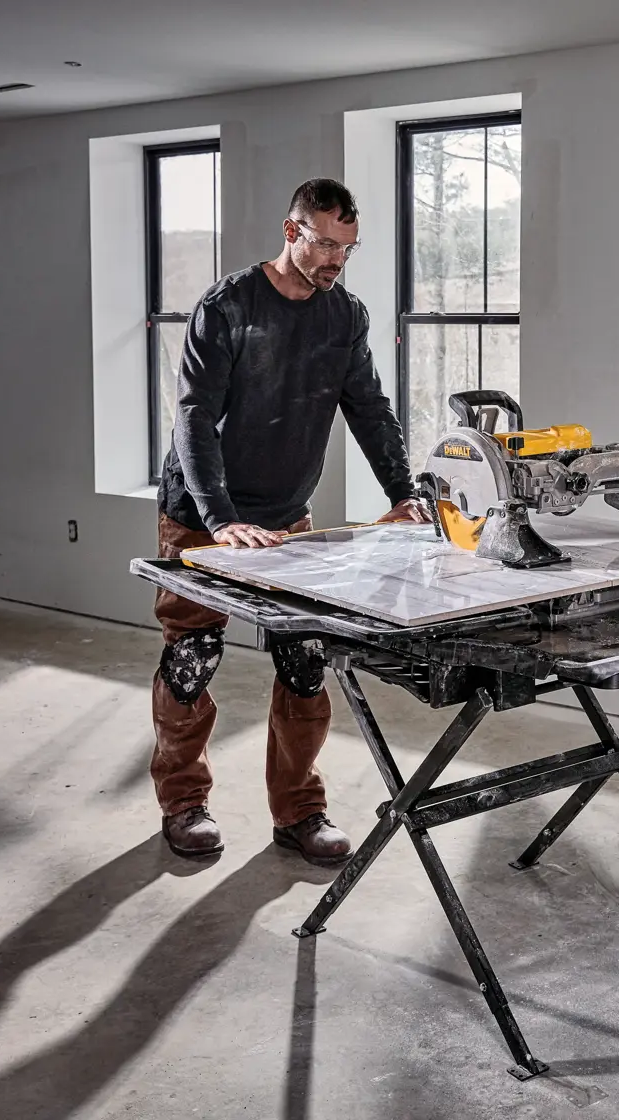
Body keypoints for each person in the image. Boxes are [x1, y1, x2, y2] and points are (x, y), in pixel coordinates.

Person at [151, 177, 426, 865]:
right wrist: (220, 520)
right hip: (202, 513)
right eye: (325, 243)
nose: (335, 259)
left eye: (347, 248)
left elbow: (369, 408)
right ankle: (184, 803)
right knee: (193, 657)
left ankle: (300, 812)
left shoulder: (345, 316)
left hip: (286, 517)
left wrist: (405, 493)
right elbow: (193, 417)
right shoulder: (229, 306)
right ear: (291, 229)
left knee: (304, 661)